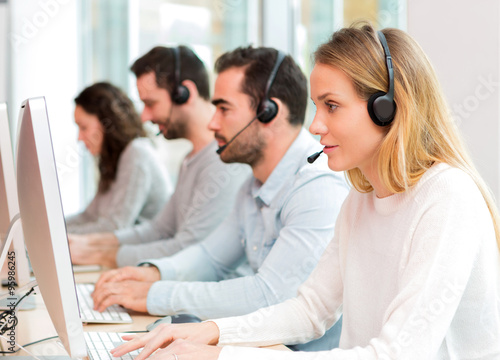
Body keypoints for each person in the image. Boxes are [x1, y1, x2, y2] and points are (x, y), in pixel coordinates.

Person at [109, 24, 500, 359]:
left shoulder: (446, 198)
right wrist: (209, 331)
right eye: (317, 106)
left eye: (332, 106)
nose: (315, 126)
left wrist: (223, 353)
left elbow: (399, 354)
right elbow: (310, 310)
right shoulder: (359, 201)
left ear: (388, 108)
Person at [91, 46, 350, 351]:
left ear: (269, 111)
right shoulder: (253, 183)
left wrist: (154, 294)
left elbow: (269, 295)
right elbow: (210, 257)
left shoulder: (318, 187)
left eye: (224, 109)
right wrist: (152, 273)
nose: (212, 123)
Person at [69, 46, 250, 268]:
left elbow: (187, 250)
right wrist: (88, 244)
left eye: (150, 103)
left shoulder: (222, 162)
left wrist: (97, 255)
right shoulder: (190, 159)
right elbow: (160, 230)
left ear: (184, 94)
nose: (144, 116)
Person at [66, 82, 172, 234]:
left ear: (107, 122)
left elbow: (115, 227)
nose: (79, 138)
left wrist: (57, 237)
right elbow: (89, 216)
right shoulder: (113, 160)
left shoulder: (137, 154)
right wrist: (48, 229)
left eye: (84, 127)